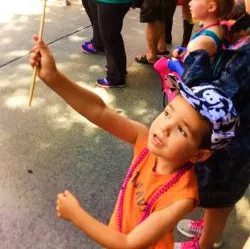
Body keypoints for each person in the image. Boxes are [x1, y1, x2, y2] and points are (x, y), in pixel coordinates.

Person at [29, 37, 238, 249]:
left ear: (199, 154)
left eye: (182, 130)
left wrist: (76, 215)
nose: (164, 127)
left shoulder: (181, 198)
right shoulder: (144, 140)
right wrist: (53, 77)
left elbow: (128, 243)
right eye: (168, 113)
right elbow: (99, 111)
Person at [174, 0, 250, 249]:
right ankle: (209, 228)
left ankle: (206, 242)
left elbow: (215, 95)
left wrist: (192, 58)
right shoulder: (239, 27)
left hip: (236, 138)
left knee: (220, 196)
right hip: (233, 131)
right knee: (215, 191)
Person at [154, 0, 235, 101]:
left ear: (211, 7)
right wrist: (186, 51)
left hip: (189, 101)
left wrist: (174, 65)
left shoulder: (201, 41)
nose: (189, 4)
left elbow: (193, 84)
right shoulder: (219, 26)